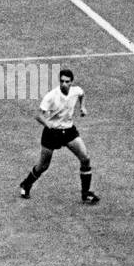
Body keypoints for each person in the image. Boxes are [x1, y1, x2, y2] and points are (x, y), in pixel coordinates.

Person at [18, 68, 100, 204]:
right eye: (61, 81)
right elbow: (38, 115)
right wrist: (48, 125)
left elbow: (82, 94)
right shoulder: (51, 96)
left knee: (85, 158)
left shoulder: (76, 91)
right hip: (52, 133)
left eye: (67, 81)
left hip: (69, 131)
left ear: (71, 82)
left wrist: (82, 107)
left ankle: (86, 194)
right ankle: (26, 184)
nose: (64, 84)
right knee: (43, 166)